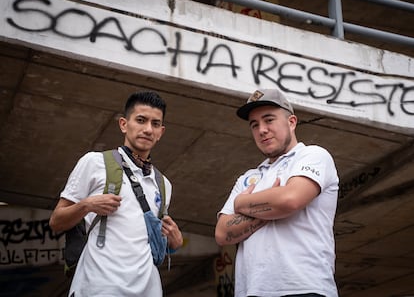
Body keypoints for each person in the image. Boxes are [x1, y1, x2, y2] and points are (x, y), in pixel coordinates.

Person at [49, 91, 183, 297]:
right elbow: (56, 222)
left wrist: (174, 243)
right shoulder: (94, 162)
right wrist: (87, 205)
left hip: (149, 289)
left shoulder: (163, 184)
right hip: (98, 286)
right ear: (123, 124)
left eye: (155, 124)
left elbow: (150, 240)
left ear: (161, 132)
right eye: (141, 120)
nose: (148, 129)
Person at [215, 88, 339, 297]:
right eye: (254, 125)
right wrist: (270, 207)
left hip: (306, 289)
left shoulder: (313, 155)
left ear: (291, 122)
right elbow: (222, 233)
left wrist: (241, 203)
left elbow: (289, 201)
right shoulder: (248, 177)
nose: (262, 129)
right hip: (251, 291)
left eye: (269, 120)